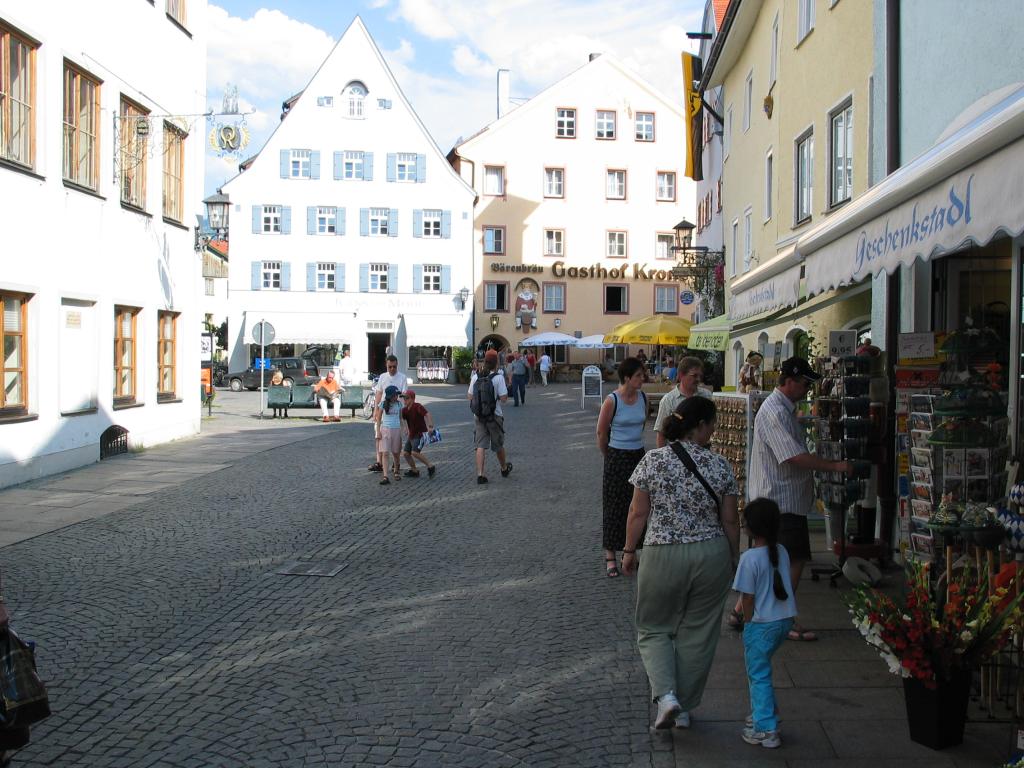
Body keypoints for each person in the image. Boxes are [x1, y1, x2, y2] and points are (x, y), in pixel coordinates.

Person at [620, 396, 741, 730]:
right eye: (712, 422)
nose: (715, 428)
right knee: (698, 632)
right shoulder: (720, 465)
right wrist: (734, 555)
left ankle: (666, 696)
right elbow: (731, 520)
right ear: (699, 426)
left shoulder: (652, 462)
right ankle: (684, 706)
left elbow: (638, 512)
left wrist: (629, 551)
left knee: (653, 627)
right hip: (710, 553)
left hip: (662, 552)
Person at [738, 356, 853, 641]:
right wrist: (834, 466)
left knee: (771, 557)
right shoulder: (776, 411)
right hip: (780, 500)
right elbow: (792, 456)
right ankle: (782, 619)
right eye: (804, 383)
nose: (807, 389)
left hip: (778, 498)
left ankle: (741, 610)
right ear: (788, 381)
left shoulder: (783, 409)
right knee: (793, 559)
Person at [733, 498, 797, 749]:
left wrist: (747, 623)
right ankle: (765, 711)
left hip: (761, 623)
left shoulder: (749, 558)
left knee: (758, 675)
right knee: (763, 670)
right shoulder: (781, 550)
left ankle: (766, 728)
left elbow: (747, 597)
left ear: (748, 527)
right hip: (783, 620)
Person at [596, 357, 648, 578]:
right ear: (627, 377)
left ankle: (631, 549)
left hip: (638, 455)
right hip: (617, 455)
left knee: (636, 505)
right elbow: (601, 432)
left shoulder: (643, 397)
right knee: (614, 505)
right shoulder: (612, 400)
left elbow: (643, 423)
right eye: (638, 375)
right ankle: (610, 555)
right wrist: (609, 454)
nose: (642, 379)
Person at [468, 349, 513, 484]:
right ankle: (504, 468)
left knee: (480, 445)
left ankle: (480, 474)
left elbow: (469, 396)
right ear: (496, 363)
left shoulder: (476, 376)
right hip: (494, 416)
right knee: (498, 444)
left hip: (479, 416)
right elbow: (504, 398)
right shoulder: (498, 377)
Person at [653, 357, 704, 448]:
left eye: (700, 376)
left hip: (702, 454)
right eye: (694, 375)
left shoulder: (706, 396)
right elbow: (661, 434)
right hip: (677, 455)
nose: (698, 379)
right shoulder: (668, 400)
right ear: (681, 375)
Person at [369, 355, 408, 472]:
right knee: (379, 437)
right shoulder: (382, 377)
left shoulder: (402, 377)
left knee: (396, 439)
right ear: (386, 365)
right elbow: (379, 393)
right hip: (383, 409)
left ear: (397, 365)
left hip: (396, 411)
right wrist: (376, 410)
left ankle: (396, 463)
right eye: (390, 367)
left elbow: (404, 395)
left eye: (394, 367)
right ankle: (379, 462)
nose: (392, 369)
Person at [401, 390, 437, 478]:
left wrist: (430, 426)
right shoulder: (404, 410)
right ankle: (414, 471)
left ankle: (430, 466)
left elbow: (427, 414)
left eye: (407, 398)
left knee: (414, 452)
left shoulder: (417, 406)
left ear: (413, 399)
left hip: (420, 434)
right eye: (404, 398)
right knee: (406, 453)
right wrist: (405, 428)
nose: (404, 400)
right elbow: (403, 419)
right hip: (412, 435)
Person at [376, 385, 404, 485]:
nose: (397, 397)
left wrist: (404, 428)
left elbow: (401, 418)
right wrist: (378, 432)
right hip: (385, 429)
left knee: (396, 452)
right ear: (390, 396)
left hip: (396, 429)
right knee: (385, 453)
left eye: (397, 395)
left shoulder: (399, 404)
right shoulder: (383, 404)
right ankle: (385, 476)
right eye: (395, 395)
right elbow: (378, 418)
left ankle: (396, 471)